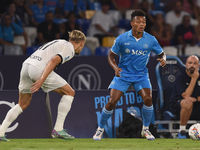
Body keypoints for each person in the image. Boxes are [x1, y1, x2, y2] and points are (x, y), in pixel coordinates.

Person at [93, 9, 166, 141]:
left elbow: (161, 53)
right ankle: (100, 129)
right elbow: (111, 56)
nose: (141, 24)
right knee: (111, 102)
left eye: (143, 22)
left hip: (141, 75)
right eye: (138, 21)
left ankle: (145, 129)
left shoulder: (150, 39)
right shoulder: (122, 38)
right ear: (132, 23)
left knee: (148, 99)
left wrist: (164, 58)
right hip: (123, 74)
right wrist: (115, 67)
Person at [0, 30, 86, 141]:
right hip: (38, 69)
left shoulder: (59, 42)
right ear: (82, 43)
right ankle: (58, 129)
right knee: (70, 92)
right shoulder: (70, 48)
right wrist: (41, 79)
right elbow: (54, 60)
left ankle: (1, 132)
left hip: (26, 66)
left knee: (23, 103)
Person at [170, 55, 200, 139]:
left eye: (195, 63)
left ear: (198, 65)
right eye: (190, 63)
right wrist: (194, 78)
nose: (192, 66)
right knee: (188, 102)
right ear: (186, 64)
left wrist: (196, 99)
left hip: (196, 105)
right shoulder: (181, 76)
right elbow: (186, 96)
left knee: (191, 102)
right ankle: (182, 131)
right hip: (179, 105)